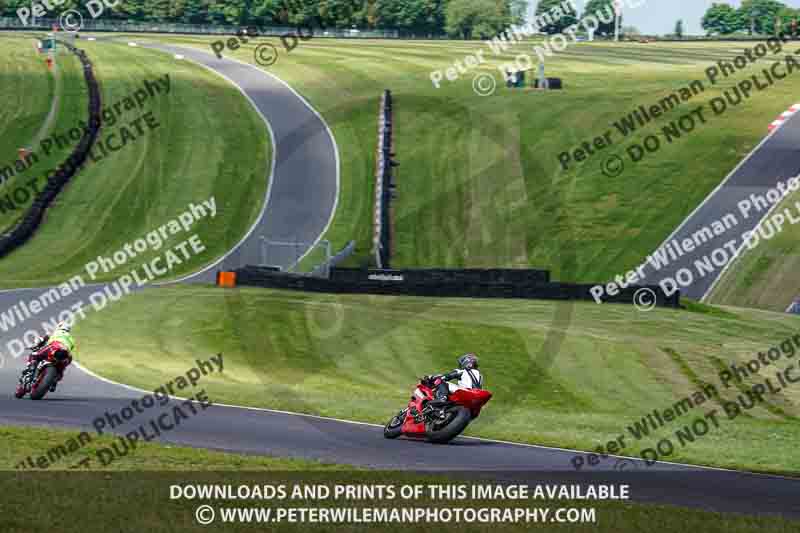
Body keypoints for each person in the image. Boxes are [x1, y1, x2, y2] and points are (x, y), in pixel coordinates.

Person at [22, 321, 76, 393]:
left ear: (59, 327)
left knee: (35, 355)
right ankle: (54, 381)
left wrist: (35, 345)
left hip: (53, 346)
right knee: (63, 368)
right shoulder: (71, 338)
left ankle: (29, 373)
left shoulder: (55, 332)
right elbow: (70, 348)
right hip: (66, 354)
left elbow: (42, 339)